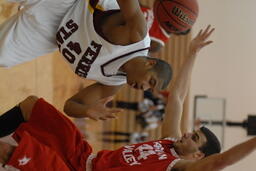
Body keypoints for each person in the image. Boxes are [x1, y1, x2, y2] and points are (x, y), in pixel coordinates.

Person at [1, 26, 254, 171]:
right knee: (32, 106)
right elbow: (177, 96)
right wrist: (192, 52)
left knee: (9, 152)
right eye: (193, 132)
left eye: (194, 138)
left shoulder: (177, 167)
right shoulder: (169, 141)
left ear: (197, 156)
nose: (187, 133)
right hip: (84, 159)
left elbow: (220, 162)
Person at [0, 0, 172, 120]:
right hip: (68, 3)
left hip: (52, 32)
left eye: (149, 88)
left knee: (2, 57)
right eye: (151, 81)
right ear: (150, 63)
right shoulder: (136, 34)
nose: (144, 88)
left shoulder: (112, 84)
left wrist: (86, 110)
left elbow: (71, 105)